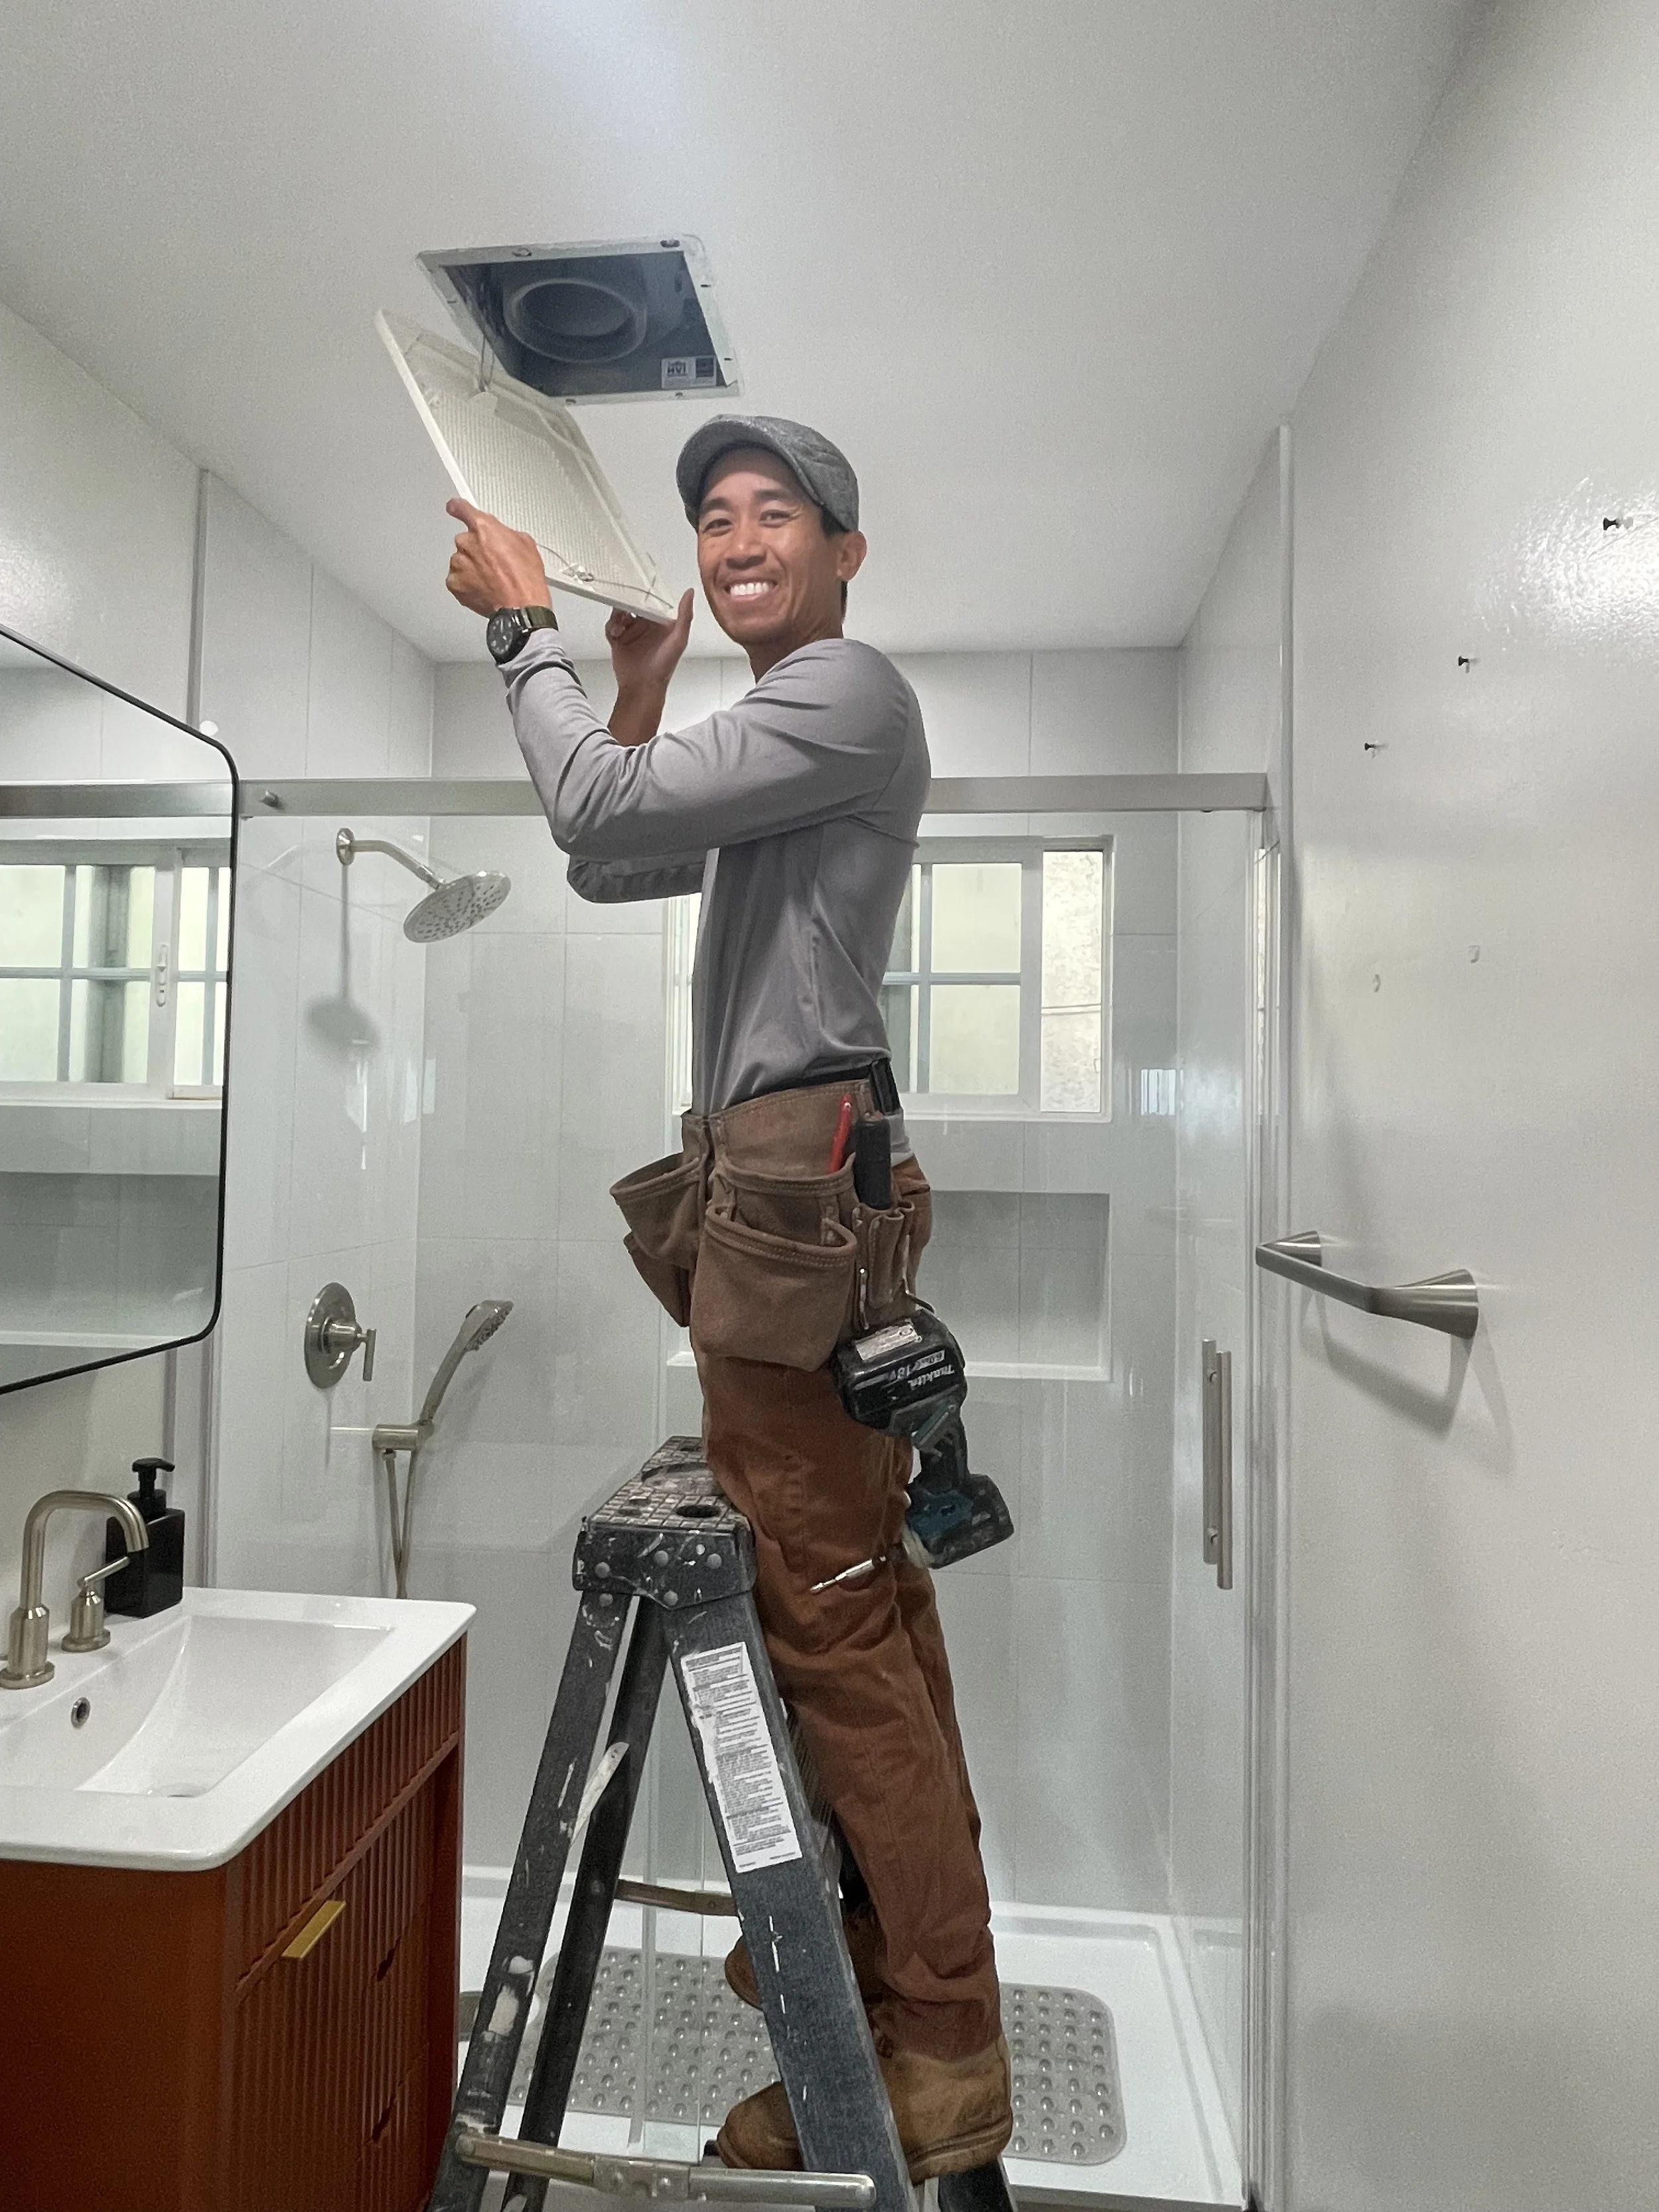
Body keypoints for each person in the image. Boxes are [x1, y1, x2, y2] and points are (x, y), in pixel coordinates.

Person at [443, 415, 1010, 2181]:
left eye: (776, 512)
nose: (736, 535)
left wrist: (520, 632)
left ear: (846, 553)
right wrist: (634, 684)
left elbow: (593, 808)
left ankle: (938, 2039)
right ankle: (908, 1987)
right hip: (791, 1177)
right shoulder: (786, 731)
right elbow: (611, 854)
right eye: (712, 516)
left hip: (794, 1182)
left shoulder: (845, 690)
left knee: (829, 1620)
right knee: (858, 1603)